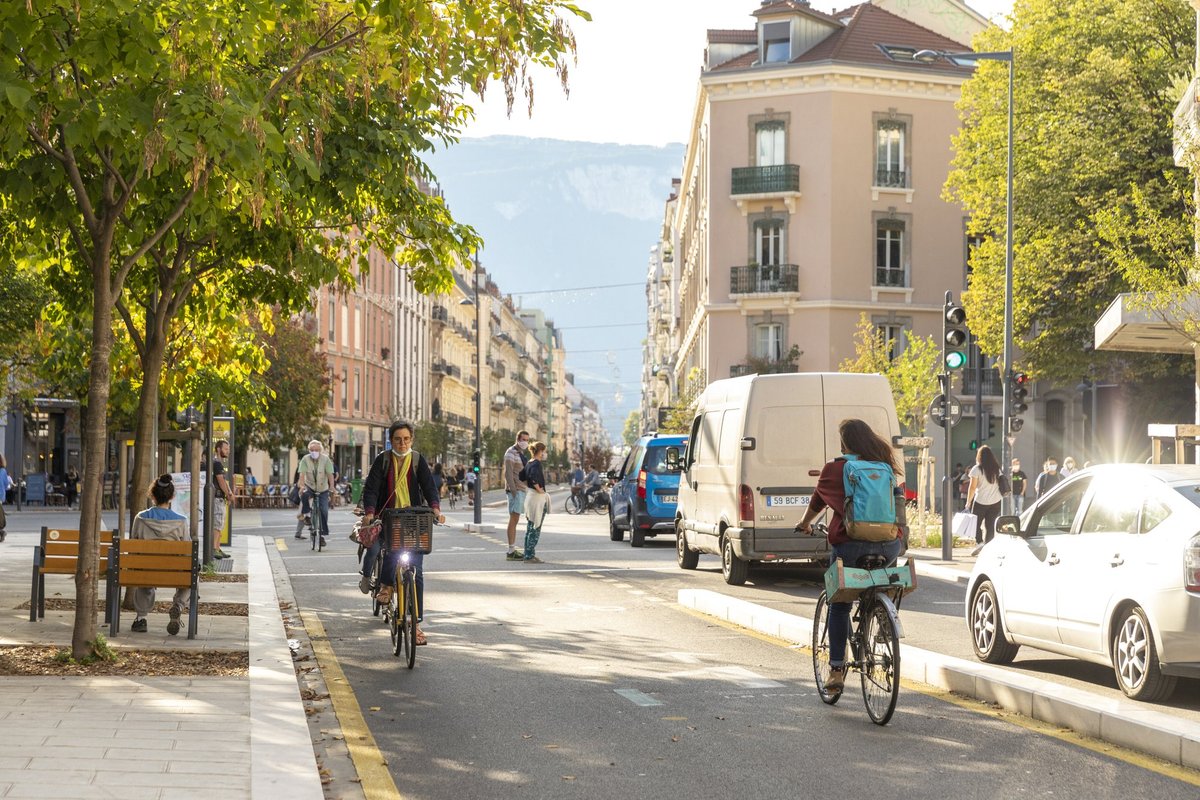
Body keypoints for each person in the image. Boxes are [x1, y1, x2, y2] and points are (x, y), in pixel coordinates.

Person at [794, 419, 903, 694]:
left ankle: (836, 669)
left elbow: (818, 499)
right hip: (889, 545)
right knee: (879, 581)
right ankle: (883, 613)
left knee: (839, 604)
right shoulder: (885, 468)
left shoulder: (837, 468)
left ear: (845, 443)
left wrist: (805, 523)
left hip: (851, 546)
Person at [360, 422, 445, 646]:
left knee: (417, 573)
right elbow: (372, 488)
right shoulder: (383, 460)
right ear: (391, 440)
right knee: (390, 551)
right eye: (398, 439)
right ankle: (386, 586)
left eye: (406, 439)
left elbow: (429, 488)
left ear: (411, 439)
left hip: (414, 519)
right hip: (388, 517)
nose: (402, 442)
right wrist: (370, 513)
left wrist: (435, 508)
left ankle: (416, 625)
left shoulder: (417, 460)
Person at [130, 475, 192, 635]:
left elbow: (133, 546)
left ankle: (141, 618)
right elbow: (188, 551)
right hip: (174, 573)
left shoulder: (140, 518)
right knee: (193, 575)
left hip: (147, 571)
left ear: (152, 495)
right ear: (172, 496)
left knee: (144, 571)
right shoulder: (181, 521)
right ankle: (178, 606)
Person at [967, 445, 1003, 554]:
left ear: (979, 456)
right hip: (996, 501)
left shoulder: (976, 469)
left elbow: (972, 487)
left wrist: (968, 501)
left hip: (981, 501)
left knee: (975, 524)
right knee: (990, 525)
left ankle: (979, 542)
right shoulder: (997, 468)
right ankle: (988, 547)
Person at [298, 439, 335, 547]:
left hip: (323, 488)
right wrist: (301, 486)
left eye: (316, 450)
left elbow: (330, 475)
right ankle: (308, 516)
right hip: (310, 486)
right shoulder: (305, 459)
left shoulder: (326, 459)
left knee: (324, 510)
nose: (314, 452)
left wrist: (332, 486)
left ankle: (322, 535)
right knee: (304, 494)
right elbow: (302, 475)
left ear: (320, 450)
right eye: (312, 450)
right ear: (309, 450)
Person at [503, 430, 531, 560]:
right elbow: (508, 474)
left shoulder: (521, 454)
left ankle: (512, 549)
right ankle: (511, 550)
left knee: (516, 519)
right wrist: (514, 491)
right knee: (513, 520)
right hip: (516, 491)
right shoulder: (511, 453)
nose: (525, 442)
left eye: (527, 440)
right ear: (518, 439)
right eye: (523, 439)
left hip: (521, 490)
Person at [521, 442, 550, 564]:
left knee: (530, 528)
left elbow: (522, 476)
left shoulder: (529, 462)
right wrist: (539, 489)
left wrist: (531, 487)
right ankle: (529, 556)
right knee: (535, 527)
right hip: (537, 498)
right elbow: (532, 477)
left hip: (530, 497)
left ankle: (528, 554)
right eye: (545, 451)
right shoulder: (536, 464)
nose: (545, 454)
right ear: (541, 451)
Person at [211, 439, 233, 559]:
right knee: (217, 525)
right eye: (226, 449)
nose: (228, 451)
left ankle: (218, 548)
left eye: (228, 449)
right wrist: (228, 494)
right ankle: (214, 549)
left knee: (220, 525)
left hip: (220, 497)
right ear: (219, 449)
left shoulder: (218, 463)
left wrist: (228, 492)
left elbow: (223, 480)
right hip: (217, 498)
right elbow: (220, 480)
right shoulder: (216, 463)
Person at [0, 454, 8, 542]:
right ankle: (1, 532)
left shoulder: (2, 471)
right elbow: (6, 485)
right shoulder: (3, 471)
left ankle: (1, 532)